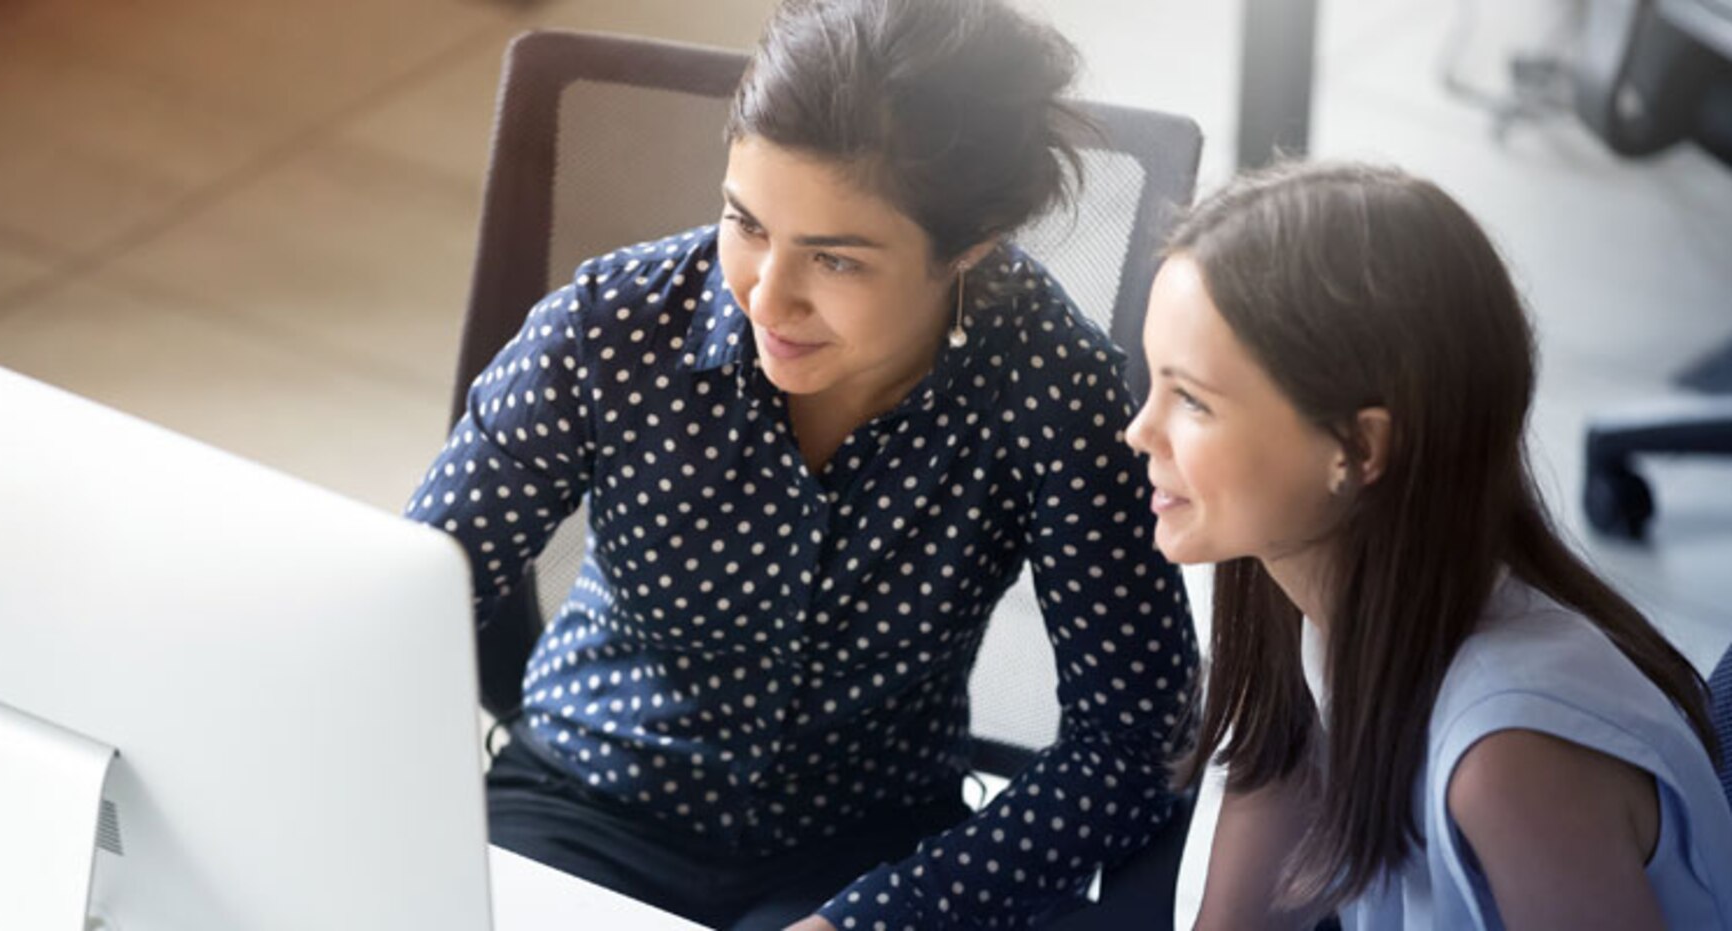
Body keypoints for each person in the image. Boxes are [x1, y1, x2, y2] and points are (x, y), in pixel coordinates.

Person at [404, 0, 1198, 928]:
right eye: (746, 223)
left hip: (872, 853)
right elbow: (409, 602)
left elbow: (1136, 745)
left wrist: (882, 914)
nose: (767, 296)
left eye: (836, 260)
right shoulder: (609, 329)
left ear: (971, 245)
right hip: (582, 800)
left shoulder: (1054, 392)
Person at [1123, 160, 1732, 929]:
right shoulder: (1300, 600)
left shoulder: (1511, 759)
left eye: (1191, 400)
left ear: (1358, 447)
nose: (1140, 430)